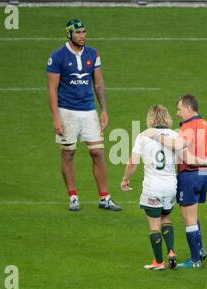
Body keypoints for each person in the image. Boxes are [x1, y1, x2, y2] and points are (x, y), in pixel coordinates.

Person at [46, 18, 121, 212]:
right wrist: (56, 117)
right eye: (78, 33)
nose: (82, 36)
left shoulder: (93, 54)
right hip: (67, 111)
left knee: (97, 152)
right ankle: (73, 197)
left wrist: (103, 109)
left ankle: (104, 197)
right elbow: (52, 89)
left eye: (84, 32)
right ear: (69, 34)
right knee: (68, 153)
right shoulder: (57, 57)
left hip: (89, 111)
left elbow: (98, 83)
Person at [145, 94, 207, 269]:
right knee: (194, 214)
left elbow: (178, 146)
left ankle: (195, 260)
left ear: (189, 108)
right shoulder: (206, 124)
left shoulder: (189, 126)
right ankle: (200, 250)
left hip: (189, 175)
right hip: (204, 175)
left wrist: (156, 136)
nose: (177, 113)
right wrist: (205, 162)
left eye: (180, 109)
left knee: (188, 219)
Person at [121, 105, 179, 270]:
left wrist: (125, 178)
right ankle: (171, 252)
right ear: (166, 117)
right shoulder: (175, 136)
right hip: (170, 186)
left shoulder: (143, 137)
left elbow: (133, 162)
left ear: (150, 118)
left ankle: (159, 262)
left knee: (154, 225)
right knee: (166, 218)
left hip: (152, 188)